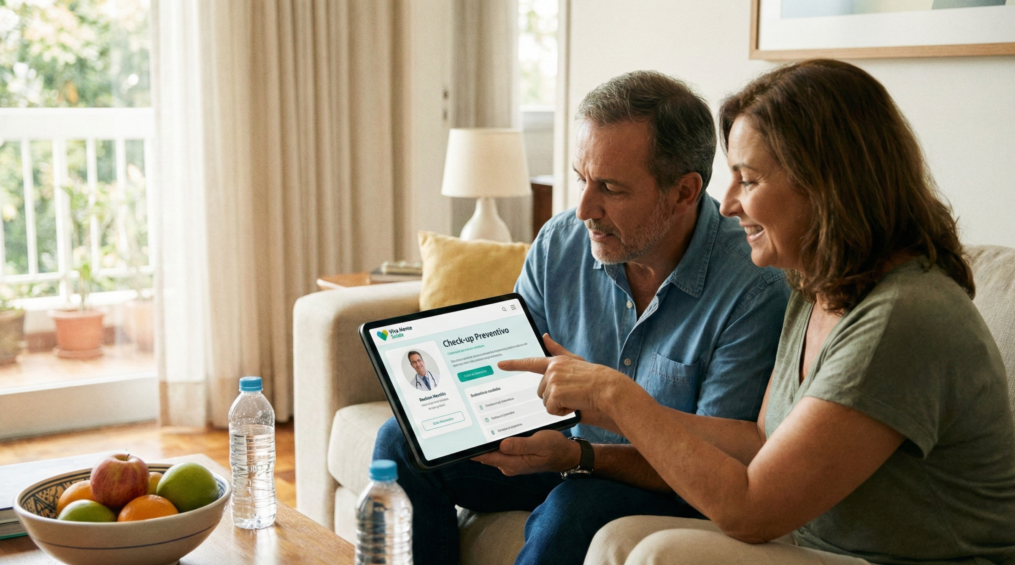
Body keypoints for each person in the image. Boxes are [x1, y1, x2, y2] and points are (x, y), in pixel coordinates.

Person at [502, 59, 1015, 565]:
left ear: (825, 188)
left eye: (747, 180)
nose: (725, 204)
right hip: (817, 543)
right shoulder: (820, 289)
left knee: (661, 555)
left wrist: (618, 396)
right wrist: (598, 421)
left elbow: (751, 512)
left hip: (898, 559)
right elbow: (757, 440)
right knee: (616, 541)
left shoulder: (902, 317)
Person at [373, 70, 790, 565]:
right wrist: (455, 395)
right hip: (561, 451)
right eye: (581, 179)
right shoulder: (559, 244)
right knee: (403, 441)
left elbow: (717, 464)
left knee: (573, 507)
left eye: (610, 188)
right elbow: (515, 372)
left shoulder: (754, 285)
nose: (583, 209)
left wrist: (581, 457)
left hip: (665, 480)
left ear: (683, 192)